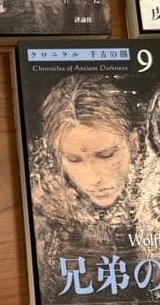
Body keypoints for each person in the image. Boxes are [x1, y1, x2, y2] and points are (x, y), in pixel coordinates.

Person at [31, 75, 140, 277]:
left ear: (134, 143)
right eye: (74, 160)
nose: (93, 178)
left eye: (106, 155)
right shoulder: (42, 220)